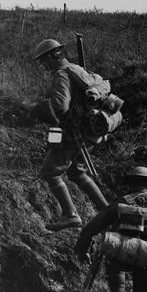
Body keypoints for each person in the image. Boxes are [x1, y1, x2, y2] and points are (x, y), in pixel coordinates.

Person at [31, 39, 108, 231]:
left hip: (72, 133)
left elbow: (60, 105)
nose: (43, 65)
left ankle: (70, 215)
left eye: (43, 60)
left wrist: (38, 107)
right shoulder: (76, 69)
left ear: (51, 56)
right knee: (77, 172)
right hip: (88, 130)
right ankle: (107, 212)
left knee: (50, 172)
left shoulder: (61, 75)